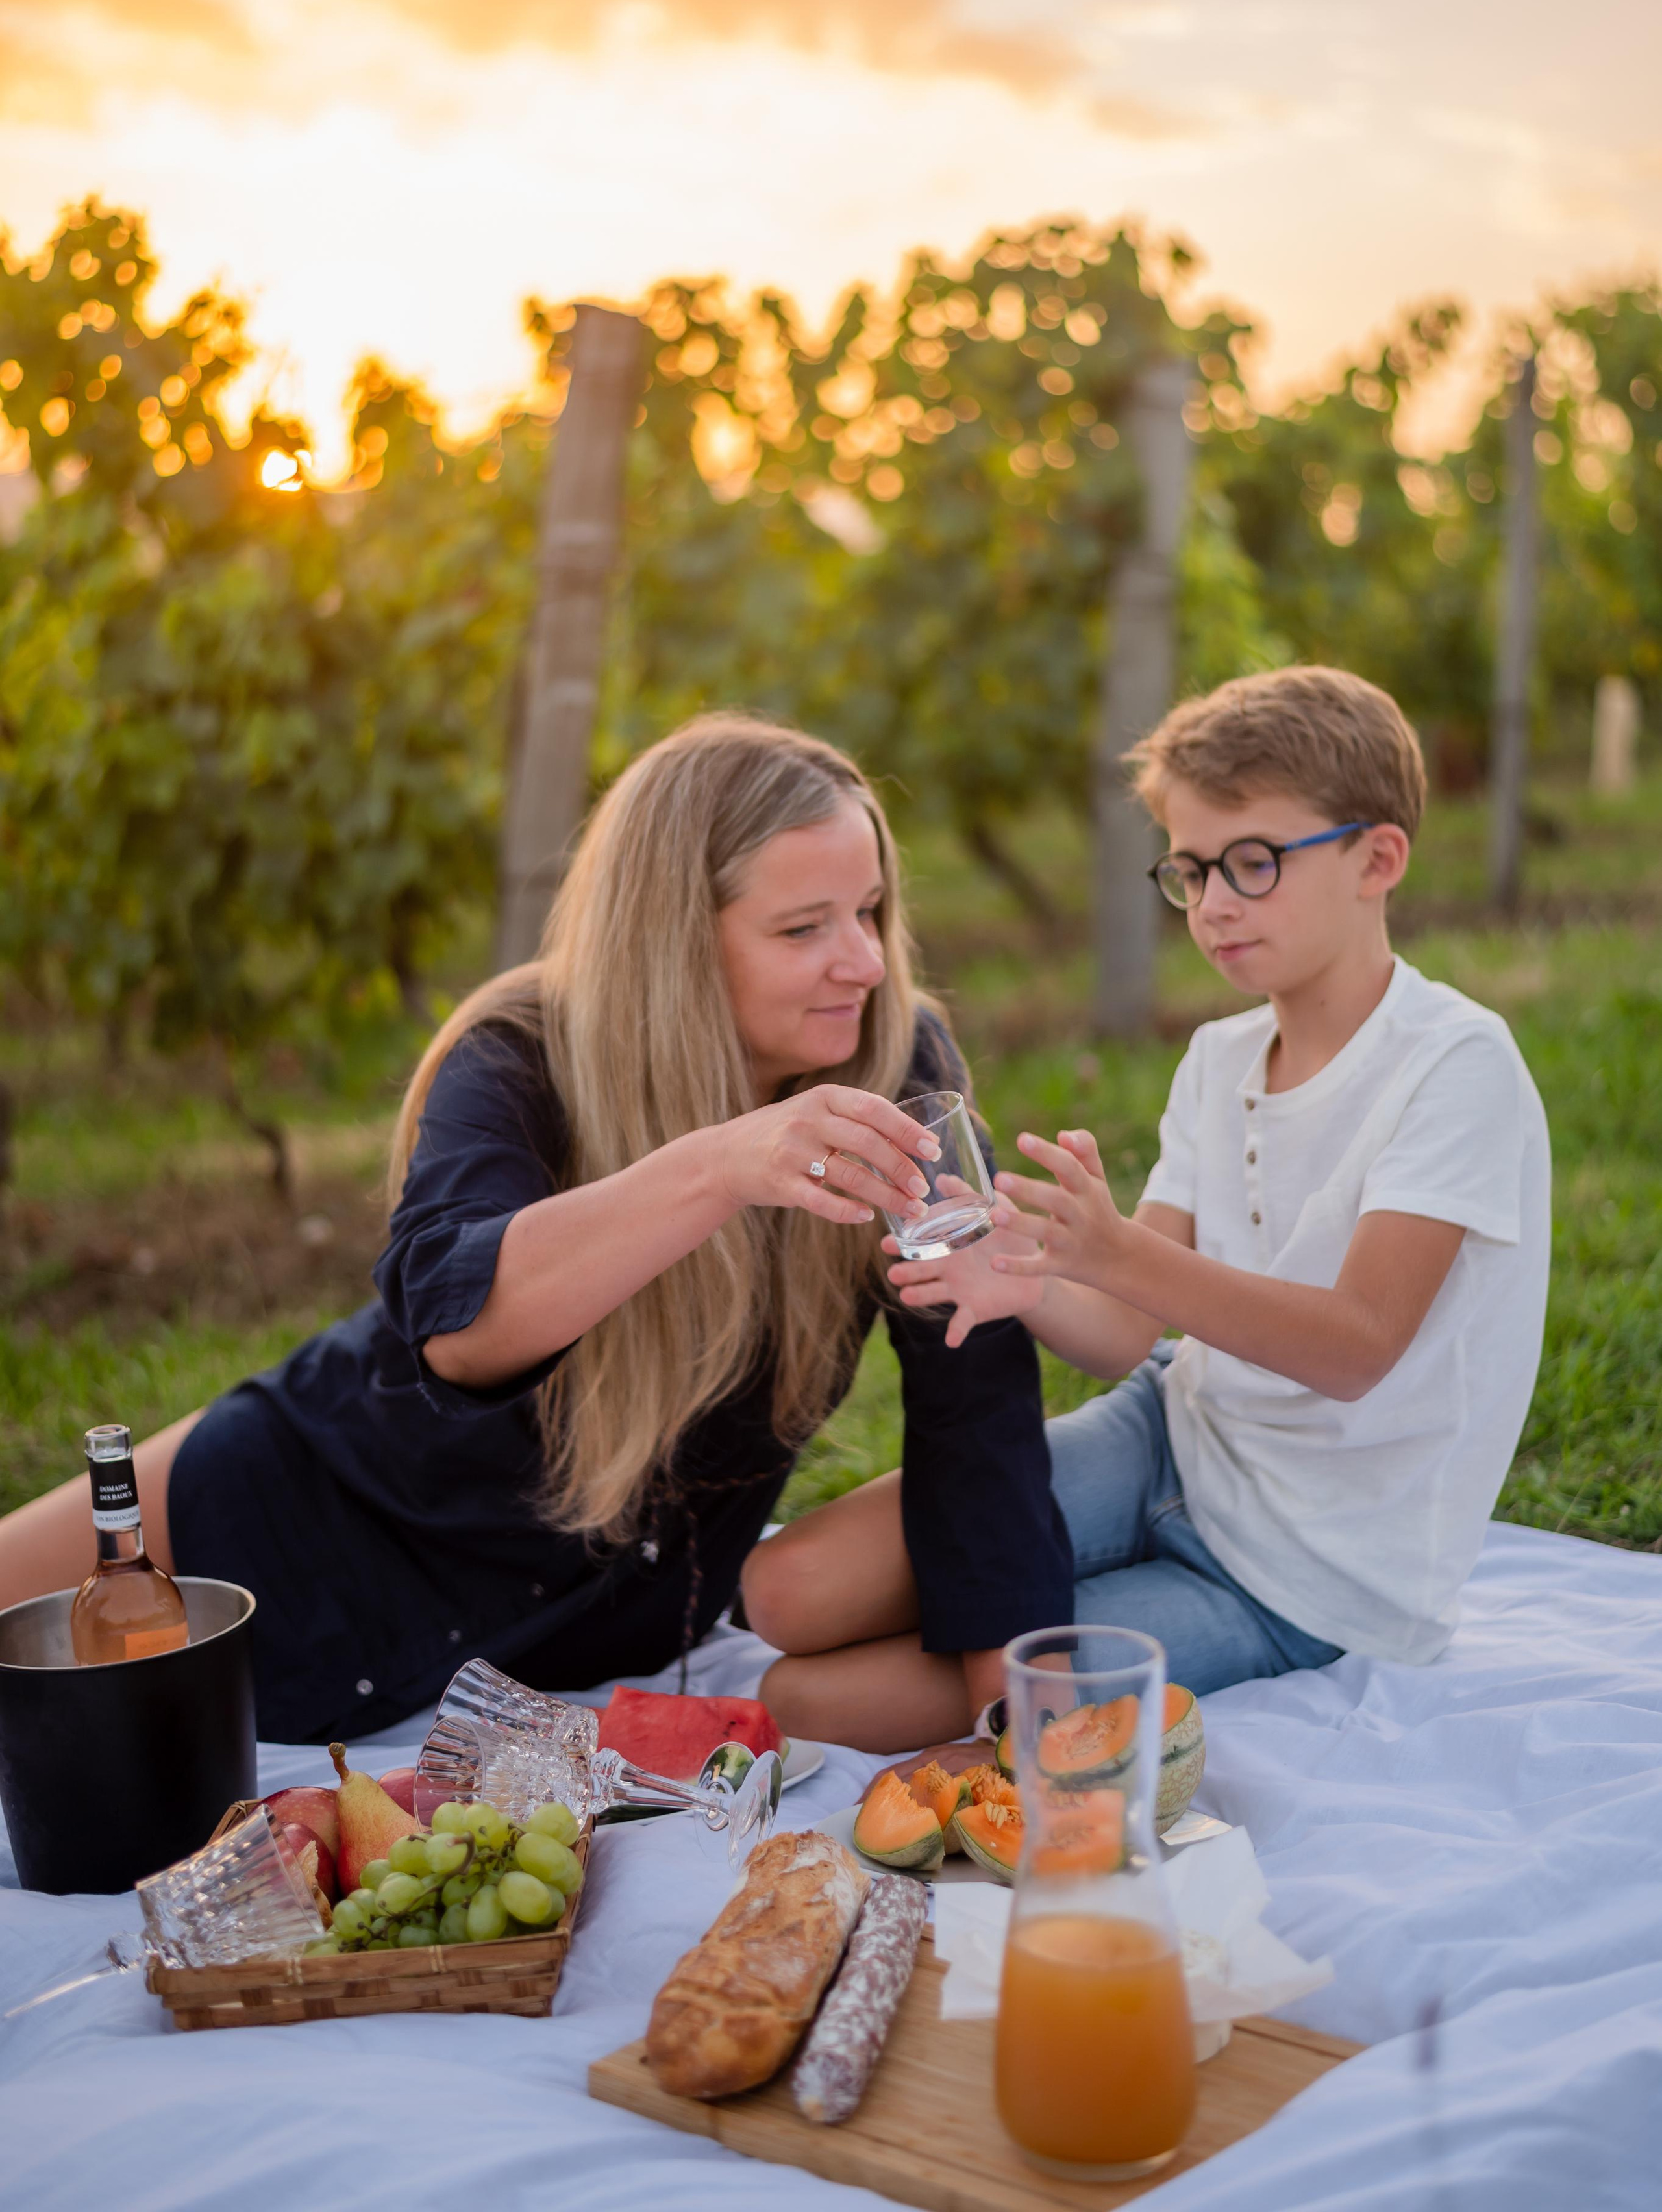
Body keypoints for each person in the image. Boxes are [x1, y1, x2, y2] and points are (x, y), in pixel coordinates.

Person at [0, 716, 1069, 1750]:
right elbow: (458, 1328)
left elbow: (974, 1411)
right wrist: (723, 1164)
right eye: (805, 928)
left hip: (572, 1633)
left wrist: (1027, 1726)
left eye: (871, 913)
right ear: (673, 944)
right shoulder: (521, 1052)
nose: (867, 964)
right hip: (302, 1505)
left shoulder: (896, 1067)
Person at [874, 665, 1552, 1695]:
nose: (1214, 905)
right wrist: (1039, 1280)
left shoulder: (1458, 1062)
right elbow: (1121, 1334)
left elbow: (1358, 1347)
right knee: (797, 1590)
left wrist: (1119, 1252)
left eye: (1253, 863)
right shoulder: (1219, 1058)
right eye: (1191, 871)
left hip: (1311, 1570)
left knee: (834, 1690)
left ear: (1378, 858)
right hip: (1173, 1436)